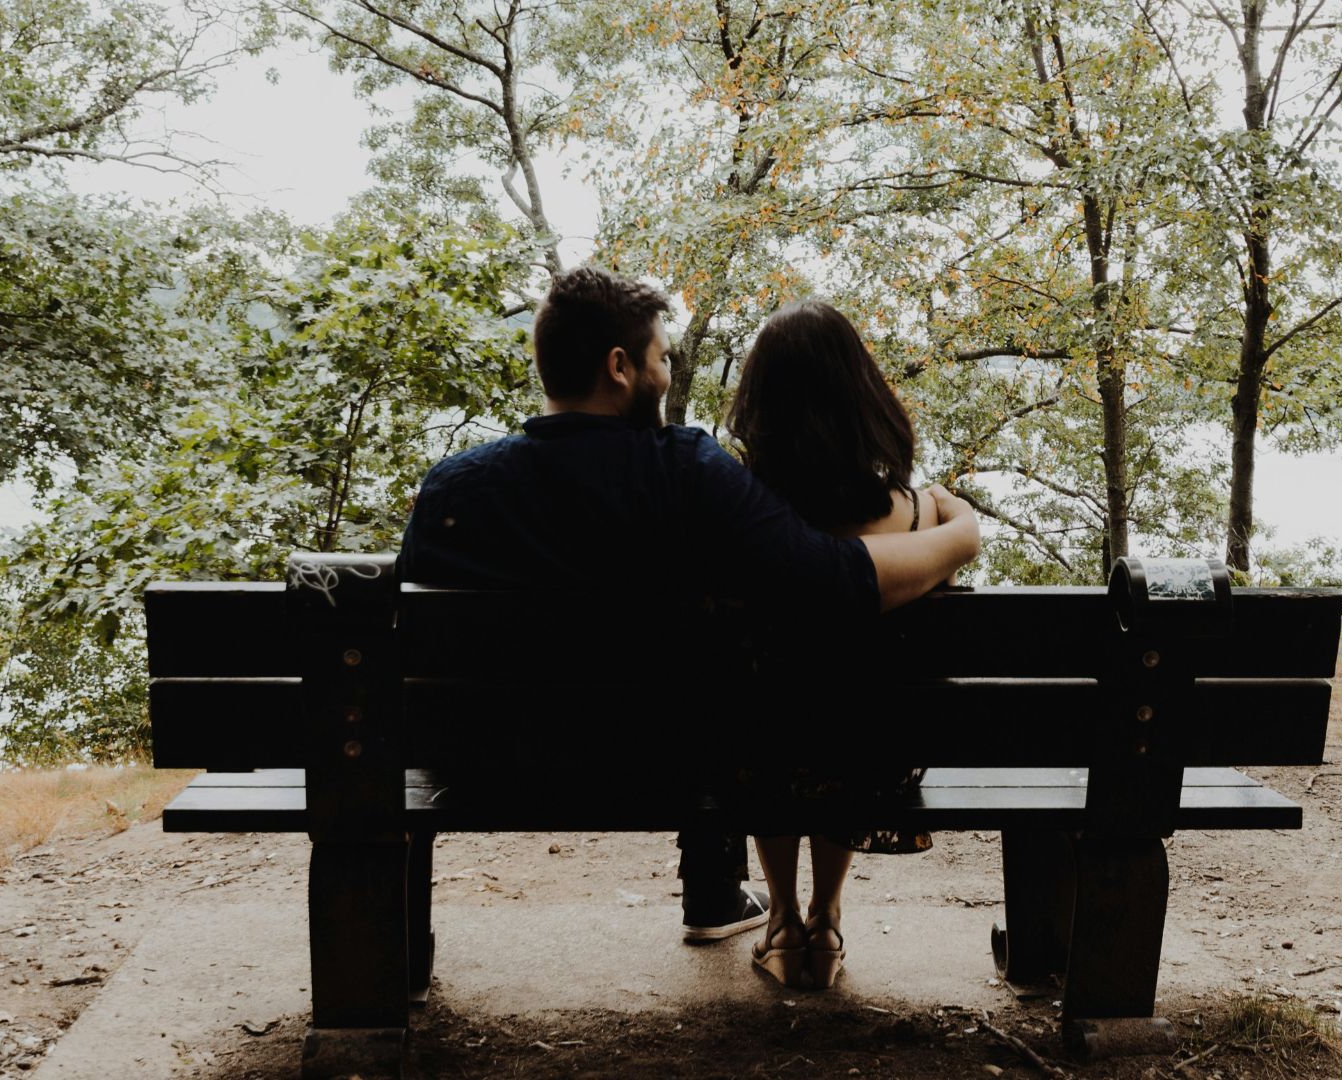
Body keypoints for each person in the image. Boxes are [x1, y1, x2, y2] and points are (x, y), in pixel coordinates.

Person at [395, 266, 978, 945]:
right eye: (661, 357)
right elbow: (831, 581)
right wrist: (959, 535)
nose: (667, 372)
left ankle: (398, 954)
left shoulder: (452, 490)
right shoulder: (685, 473)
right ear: (620, 368)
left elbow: (412, 638)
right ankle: (720, 892)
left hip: (475, 767)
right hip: (652, 767)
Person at [723, 299, 950, 990]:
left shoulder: (740, 517)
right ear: (863, 397)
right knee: (845, 719)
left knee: (765, 723)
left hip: (753, 756)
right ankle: (825, 920)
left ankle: (784, 921)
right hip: (872, 758)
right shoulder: (915, 516)